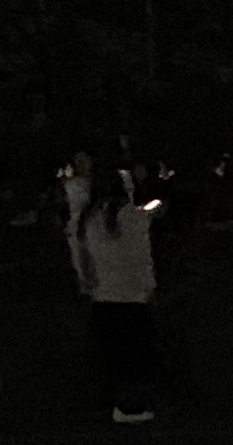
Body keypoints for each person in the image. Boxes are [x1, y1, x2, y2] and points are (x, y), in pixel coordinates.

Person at [65, 160, 164, 426]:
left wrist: (86, 283)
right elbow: (143, 258)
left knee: (112, 357)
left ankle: (114, 403)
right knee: (137, 357)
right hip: (133, 298)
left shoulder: (88, 220)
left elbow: (81, 257)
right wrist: (149, 287)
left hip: (103, 297)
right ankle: (134, 405)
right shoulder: (133, 218)